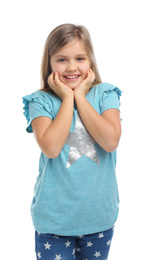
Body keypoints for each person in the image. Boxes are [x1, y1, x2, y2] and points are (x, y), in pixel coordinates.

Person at [22, 24, 122, 260]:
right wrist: (67, 98)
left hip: (98, 218)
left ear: (90, 61)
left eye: (79, 58)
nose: (71, 67)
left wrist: (80, 96)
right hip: (54, 221)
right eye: (62, 60)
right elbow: (51, 147)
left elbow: (110, 141)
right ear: (50, 63)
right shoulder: (41, 101)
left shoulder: (105, 94)